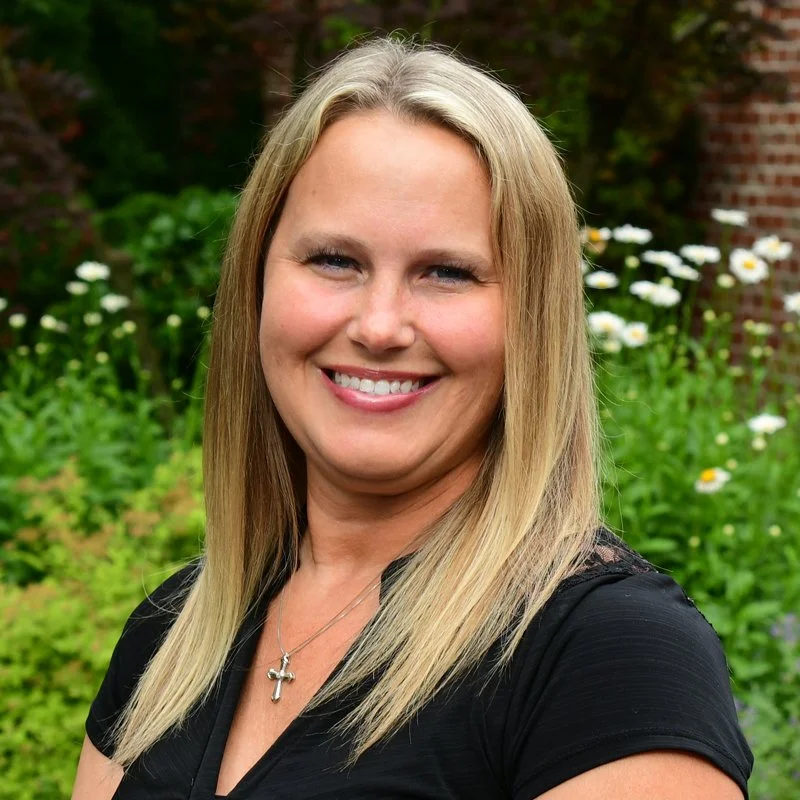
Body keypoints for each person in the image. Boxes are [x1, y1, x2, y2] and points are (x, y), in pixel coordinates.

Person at [72, 37, 752, 799]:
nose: (380, 324)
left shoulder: (609, 660)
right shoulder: (171, 635)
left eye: (447, 272)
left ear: (532, 318)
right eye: (335, 259)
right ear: (257, 280)